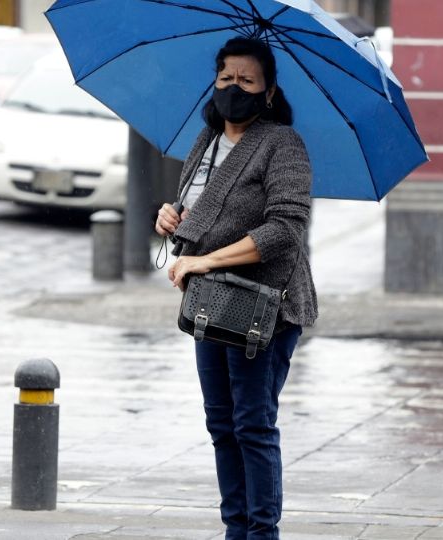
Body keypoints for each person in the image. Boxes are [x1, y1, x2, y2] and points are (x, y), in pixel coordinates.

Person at [154, 37, 317, 539]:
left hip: (264, 308)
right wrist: (172, 218)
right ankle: (235, 529)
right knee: (222, 426)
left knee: (253, 425)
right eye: (226, 78)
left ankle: (261, 533)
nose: (234, 88)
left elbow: (284, 230)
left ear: (268, 92)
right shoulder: (204, 143)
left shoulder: (281, 143)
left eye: (247, 81)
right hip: (211, 304)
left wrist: (203, 258)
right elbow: (202, 213)